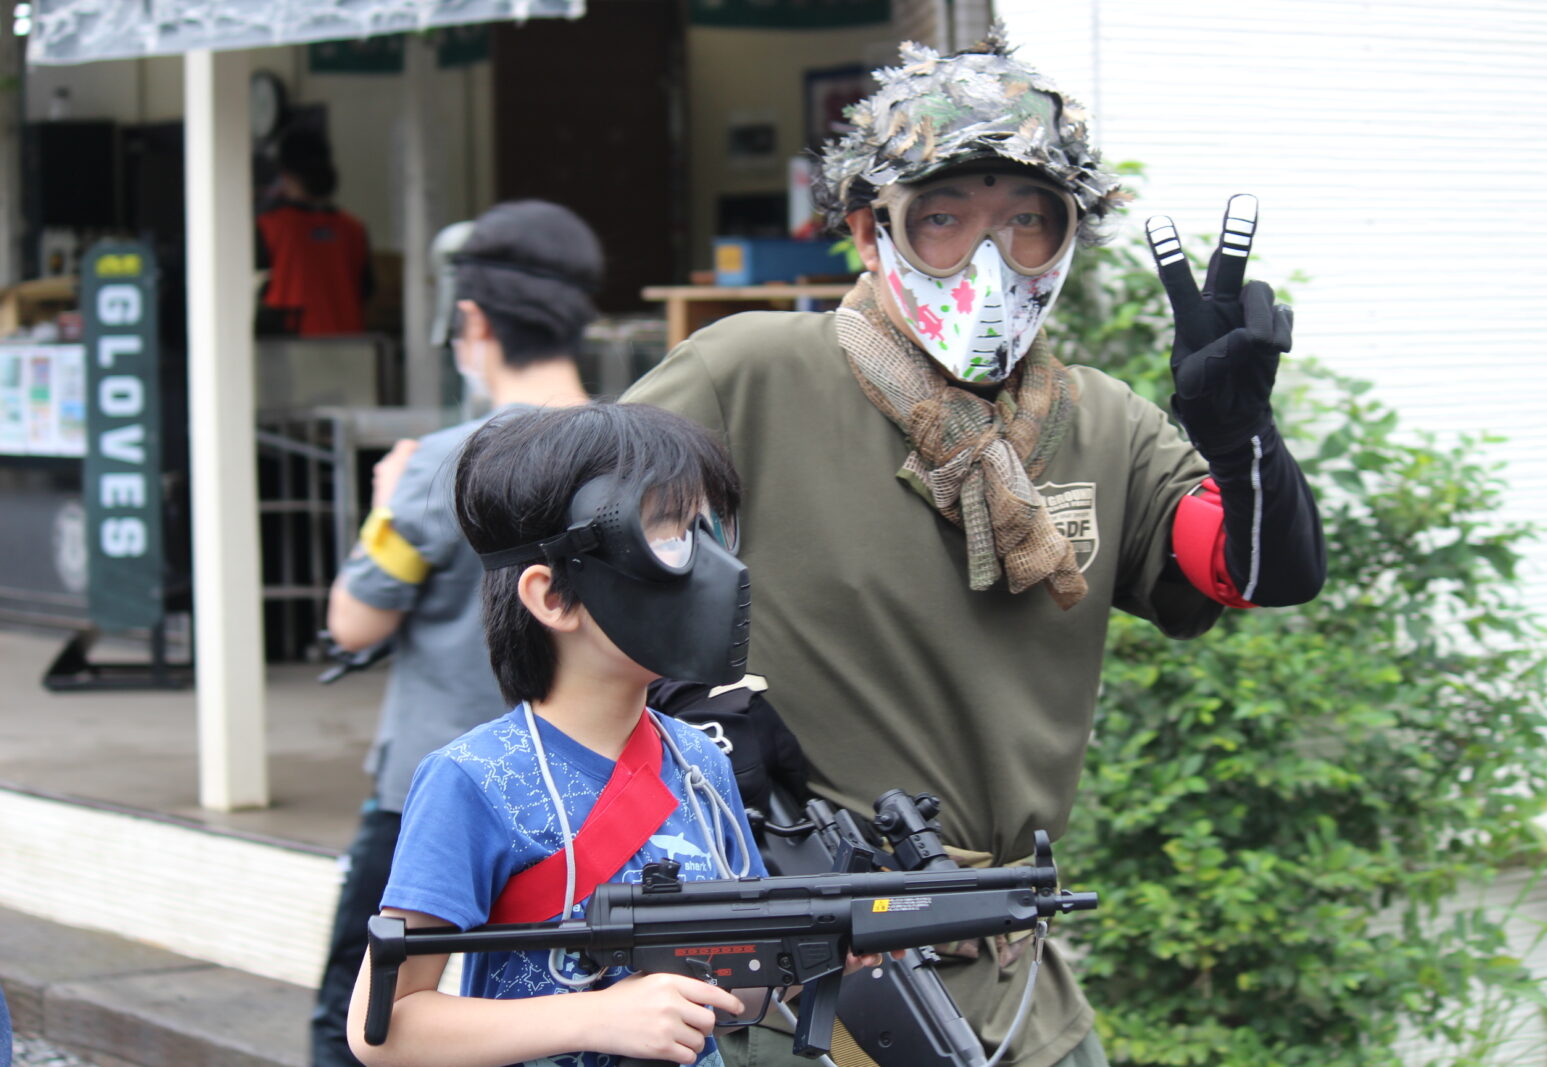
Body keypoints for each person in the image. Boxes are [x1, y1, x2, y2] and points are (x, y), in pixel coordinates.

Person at [623, 27, 1326, 1067]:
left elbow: (1260, 571)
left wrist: (1242, 441)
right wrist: (689, 705)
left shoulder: (1105, 425)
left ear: (1066, 239)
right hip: (805, 993)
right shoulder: (751, 375)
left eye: (1027, 221)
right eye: (943, 218)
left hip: (1017, 986)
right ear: (871, 231)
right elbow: (566, 539)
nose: (988, 259)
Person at [344, 401, 774, 1067]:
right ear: (551, 596)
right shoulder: (474, 777)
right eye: (668, 537)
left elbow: (740, 989)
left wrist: (828, 946)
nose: (708, 566)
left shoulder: (698, 760)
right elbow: (383, 1030)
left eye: (709, 530)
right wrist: (596, 1017)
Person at [308, 200, 603, 1067]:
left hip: (432, 797)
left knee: (366, 1012)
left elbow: (354, 620)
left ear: (473, 322)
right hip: (591, 798)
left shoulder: (443, 463)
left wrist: (382, 506)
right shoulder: (634, 456)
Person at [255, 128, 372, 336]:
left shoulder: (271, 226)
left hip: (291, 341)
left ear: (286, 175)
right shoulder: (353, 228)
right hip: (349, 340)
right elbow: (368, 289)